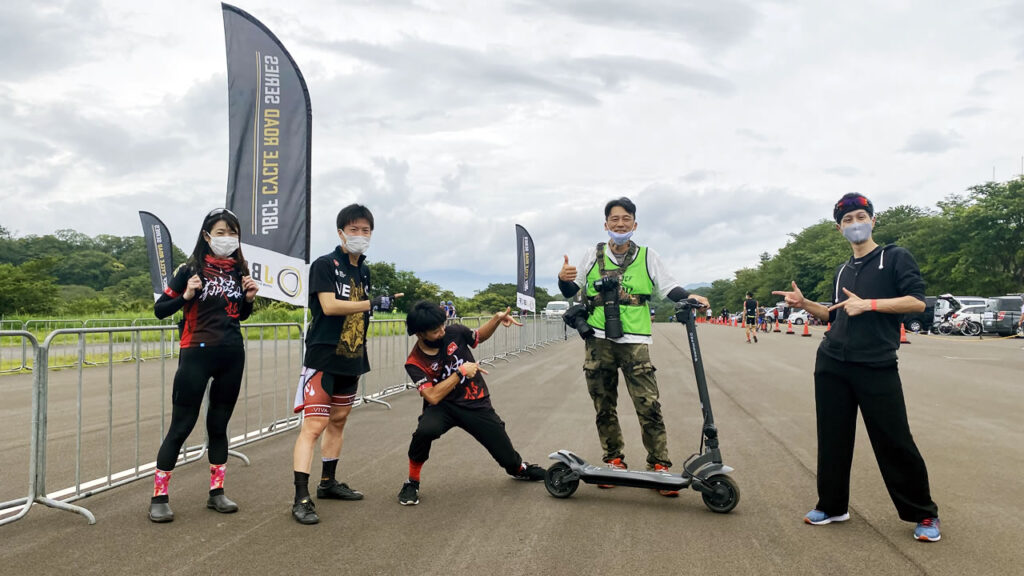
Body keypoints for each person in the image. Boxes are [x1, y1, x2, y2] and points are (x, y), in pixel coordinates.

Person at [773, 192, 941, 542]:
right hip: (833, 362)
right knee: (833, 438)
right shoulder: (843, 269)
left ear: (873, 220)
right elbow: (832, 315)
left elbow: (917, 302)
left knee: (894, 440)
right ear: (839, 229)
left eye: (860, 217)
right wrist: (805, 304)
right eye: (847, 221)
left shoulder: (894, 257)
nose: (855, 225)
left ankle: (923, 514)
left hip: (876, 364)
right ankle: (833, 506)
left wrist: (872, 304)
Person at [557, 197, 709, 496]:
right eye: (614, 219)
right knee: (604, 404)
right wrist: (562, 280)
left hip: (635, 340)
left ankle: (660, 466)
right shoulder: (592, 254)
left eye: (626, 219)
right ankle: (613, 460)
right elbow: (572, 291)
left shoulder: (648, 255)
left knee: (648, 403)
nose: (620, 224)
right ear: (606, 224)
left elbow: (668, 287)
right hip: (598, 339)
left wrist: (691, 296)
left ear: (635, 224)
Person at [290, 204, 400, 525]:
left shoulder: (363, 270)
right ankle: (300, 497)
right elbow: (328, 305)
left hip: (351, 355)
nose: (360, 236)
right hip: (323, 354)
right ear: (340, 232)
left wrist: (369, 308)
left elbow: (359, 313)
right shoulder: (325, 265)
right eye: (354, 230)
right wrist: (372, 302)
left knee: (339, 420)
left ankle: (327, 483)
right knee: (314, 426)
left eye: (366, 231)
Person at [148, 208, 258, 523]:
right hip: (196, 352)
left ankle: (217, 493)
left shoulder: (240, 270)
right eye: (221, 232)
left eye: (232, 233)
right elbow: (160, 310)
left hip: (232, 353)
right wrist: (186, 295)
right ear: (207, 236)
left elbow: (240, 314)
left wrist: (249, 298)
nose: (227, 238)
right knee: (181, 426)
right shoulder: (190, 269)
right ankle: (159, 497)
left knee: (219, 427)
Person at [397, 301, 545, 505]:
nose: (442, 331)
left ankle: (519, 469)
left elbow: (478, 337)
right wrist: (460, 373)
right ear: (419, 334)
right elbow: (432, 396)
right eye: (435, 330)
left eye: (442, 325)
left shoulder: (455, 332)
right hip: (443, 406)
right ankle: (412, 482)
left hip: (474, 401)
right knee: (425, 431)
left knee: (506, 456)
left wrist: (496, 319)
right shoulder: (415, 362)